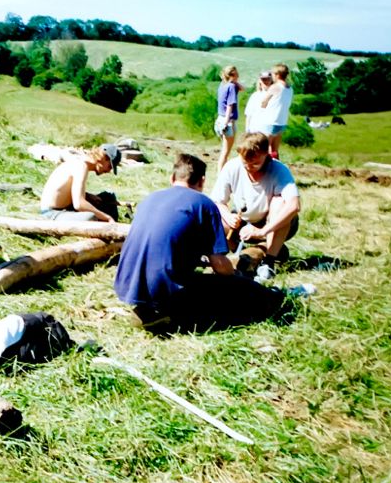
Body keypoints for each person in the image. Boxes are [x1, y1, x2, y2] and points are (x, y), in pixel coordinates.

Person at [114, 153, 285, 333]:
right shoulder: (203, 204)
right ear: (202, 181)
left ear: (172, 177)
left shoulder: (150, 198)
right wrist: (236, 275)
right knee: (237, 287)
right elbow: (219, 265)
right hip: (166, 291)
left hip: (127, 286)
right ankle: (274, 299)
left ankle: (149, 310)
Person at [210, 132, 300, 281]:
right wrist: (228, 216)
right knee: (216, 218)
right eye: (245, 163)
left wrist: (262, 231)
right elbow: (217, 201)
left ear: (266, 155)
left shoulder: (279, 170)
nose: (249, 167)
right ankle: (244, 252)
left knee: (280, 203)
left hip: (271, 223)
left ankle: (269, 261)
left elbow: (294, 206)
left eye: (255, 163)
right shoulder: (232, 167)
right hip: (244, 221)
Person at [40, 144, 121, 222]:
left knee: (108, 197)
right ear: (104, 158)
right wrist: (107, 217)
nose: (108, 171)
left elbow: (66, 189)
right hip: (53, 213)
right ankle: (109, 224)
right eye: (110, 166)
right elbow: (79, 204)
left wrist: (88, 196)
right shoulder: (80, 166)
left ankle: (111, 226)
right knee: (90, 217)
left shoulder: (80, 162)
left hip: (64, 208)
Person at [255, 63, 294, 160]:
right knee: (275, 151)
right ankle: (277, 169)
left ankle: (265, 170)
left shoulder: (275, 87)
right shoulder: (290, 89)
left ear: (277, 74)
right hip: (282, 122)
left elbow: (263, 102)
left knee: (263, 149)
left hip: (271, 121)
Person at [214, 65, 244, 172]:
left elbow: (242, 88)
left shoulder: (222, 85)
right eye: (237, 74)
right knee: (225, 153)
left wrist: (234, 81)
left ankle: (222, 173)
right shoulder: (231, 87)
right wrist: (226, 123)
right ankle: (220, 176)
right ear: (233, 75)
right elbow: (230, 105)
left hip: (219, 119)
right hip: (227, 121)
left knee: (224, 150)